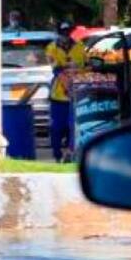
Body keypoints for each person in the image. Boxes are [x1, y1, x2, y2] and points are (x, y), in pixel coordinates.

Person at [45, 21, 88, 162]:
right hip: (59, 94)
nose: (65, 35)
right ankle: (57, 155)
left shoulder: (80, 47)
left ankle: (70, 154)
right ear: (58, 32)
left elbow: (86, 66)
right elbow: (56, 70)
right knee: (56, 127)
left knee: (72, 126)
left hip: (77, 93)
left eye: (67, 32)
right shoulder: (52, 48)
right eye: (62, 32)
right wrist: (67, 86)